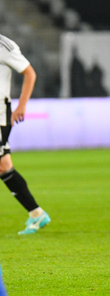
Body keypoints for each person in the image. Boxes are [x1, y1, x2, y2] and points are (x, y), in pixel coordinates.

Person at [0, 34, 50, 235]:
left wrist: (21, 105)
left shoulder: (3, 45)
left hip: (0, 117)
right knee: (4, 167)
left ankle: (37, 214)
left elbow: (29, 73)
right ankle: (37, 214)